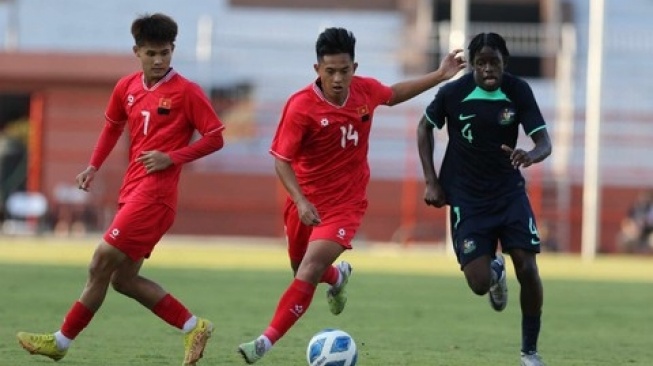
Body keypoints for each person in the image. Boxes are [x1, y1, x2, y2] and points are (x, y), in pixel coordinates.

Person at [237, 27, 465, 364]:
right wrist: (300, 201)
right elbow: (281, 161)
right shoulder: (300, 107)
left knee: (309, 268)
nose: (338, 78)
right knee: (301, 266)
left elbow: (393, 93)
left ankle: (264, 342)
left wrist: (440, 75)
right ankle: (338, 275)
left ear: (354, 67)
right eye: (330, 71)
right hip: (305, 201)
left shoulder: (364, 91)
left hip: (346, 203)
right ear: (317, 70)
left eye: (344, 70)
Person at [16, 13, 225, 366]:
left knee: (99, 262)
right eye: (151, 53)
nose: (159, 60)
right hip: (133, 190)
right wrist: (93, 165)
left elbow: (216, 137)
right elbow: (112, 127)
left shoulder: (188, 92)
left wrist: (172, 157)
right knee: (123, 280)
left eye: (165, 52)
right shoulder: (126, 87)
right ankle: (194, 325)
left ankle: (60, 342)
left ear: (173, 50)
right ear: (137, 51)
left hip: (155, 195)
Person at [416, 32, 551, 366]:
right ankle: (493, 272)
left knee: (528, 267)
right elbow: (423, 128)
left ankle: (529, 352)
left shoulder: (518, 90)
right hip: (467, 198)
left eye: (495, 62)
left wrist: (531, 155)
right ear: (473, 65)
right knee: (478, 284)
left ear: (505, 63)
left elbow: (544, 141)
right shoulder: (453, 93)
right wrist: (432, 182)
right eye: (481, 63)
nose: (489, 69)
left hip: (508, 193)